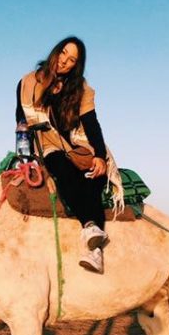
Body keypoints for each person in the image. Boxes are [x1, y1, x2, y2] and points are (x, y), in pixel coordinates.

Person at [16, 36, 109, 273]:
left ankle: (94, 248)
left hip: (79, 144)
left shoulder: (81, 90)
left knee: (96, 176)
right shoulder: (28, 83)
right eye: (63, 54)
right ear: (56, 52)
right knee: (62, 170)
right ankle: (91, 230)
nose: (64, 61)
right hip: (48, 144)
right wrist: (24, 156)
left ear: (76, 66)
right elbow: (21, 122)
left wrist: (99, 155)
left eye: (72, 60)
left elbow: (91, 122)